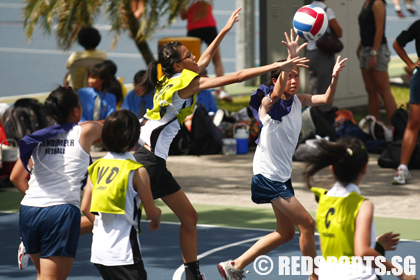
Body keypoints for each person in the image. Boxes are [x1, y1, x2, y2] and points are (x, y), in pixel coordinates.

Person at [134, 8, 308, 280]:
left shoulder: (170, 78)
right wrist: (278, 66)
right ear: (179, 65)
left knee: (189, 218)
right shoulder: (186, 84)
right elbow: (237, 76)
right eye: (188, 56)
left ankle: (193, 274)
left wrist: (224, 30)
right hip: (151, 162)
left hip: (142, 155)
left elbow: (204, 59)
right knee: (119, 218)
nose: (194, 57)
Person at [216, 30, 347, 280]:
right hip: (268, 176)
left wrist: (334, 76)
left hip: (281, 176)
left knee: (285, 233)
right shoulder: (267, 103)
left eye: (298, 76)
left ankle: (235, 265)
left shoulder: (299, 100)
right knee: (307, 224)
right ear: (277, 80)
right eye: (290, 76)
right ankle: (314, 277)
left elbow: (327, 98)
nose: (295, 80)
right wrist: (290, 58)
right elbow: (275, 94)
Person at [10, 86, 104, 280]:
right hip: (60, 213)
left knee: (43, 275)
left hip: (29, 209)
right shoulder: (85, 131)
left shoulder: (38, 138)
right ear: (76, 111)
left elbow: (15, 177)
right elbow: (115, 124)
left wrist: (38, 199)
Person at [302, 137, 417, 280]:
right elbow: (362, 252)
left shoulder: (322, 198)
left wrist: (376, 245)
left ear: (332, 168)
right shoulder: (362, 205)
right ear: (364, 168)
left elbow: (339, 242)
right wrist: (402, 273)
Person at [81, 109, 162, 280]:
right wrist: (157, 215)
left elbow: (85, 207)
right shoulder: (137, 170)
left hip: (99, 251)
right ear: (134, 137)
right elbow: (151, 211)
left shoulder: (96, 167)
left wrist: (100, 226)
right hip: (124, 252)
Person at [180, 0, 233, 102]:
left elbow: (183, 16)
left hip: (194, 28)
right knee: (217, 60)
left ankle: (191, 88)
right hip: (209, 26)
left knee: (190, 61)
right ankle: (222, 90)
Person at [357, 0, 397, 125]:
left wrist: (374, 53)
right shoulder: (367, 3)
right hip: (365, 48)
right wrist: (360, 46)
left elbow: (379, 31)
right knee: (371, 90)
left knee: (384, 90)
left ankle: (395, 129)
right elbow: (367, 29)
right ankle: (374, 126)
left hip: (377, 50)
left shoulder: (377, 3)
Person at [391, 19, 420, 184]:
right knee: (413, 122)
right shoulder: (418, 25)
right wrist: (410, 63)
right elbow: (397, 44)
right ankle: (402, 168)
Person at [307, 0, 343, 112]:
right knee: (326, 88)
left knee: (313, 87)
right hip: (322, 53)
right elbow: (339, 31)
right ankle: (323, 117)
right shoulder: (326, 11)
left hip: (309, 51)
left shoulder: (307, 9)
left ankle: (310, 116)